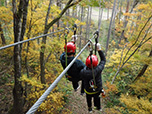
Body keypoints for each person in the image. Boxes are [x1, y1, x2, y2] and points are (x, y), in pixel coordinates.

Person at [80, 43, 106, 113]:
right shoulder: (98, 69)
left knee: (88, 99)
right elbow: (103, 60)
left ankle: (90, 108)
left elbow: (85, 68)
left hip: (88, 90)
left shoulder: (83, 72)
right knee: (96, 98)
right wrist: (99, 50)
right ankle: (98, 107)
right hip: (97, 90)